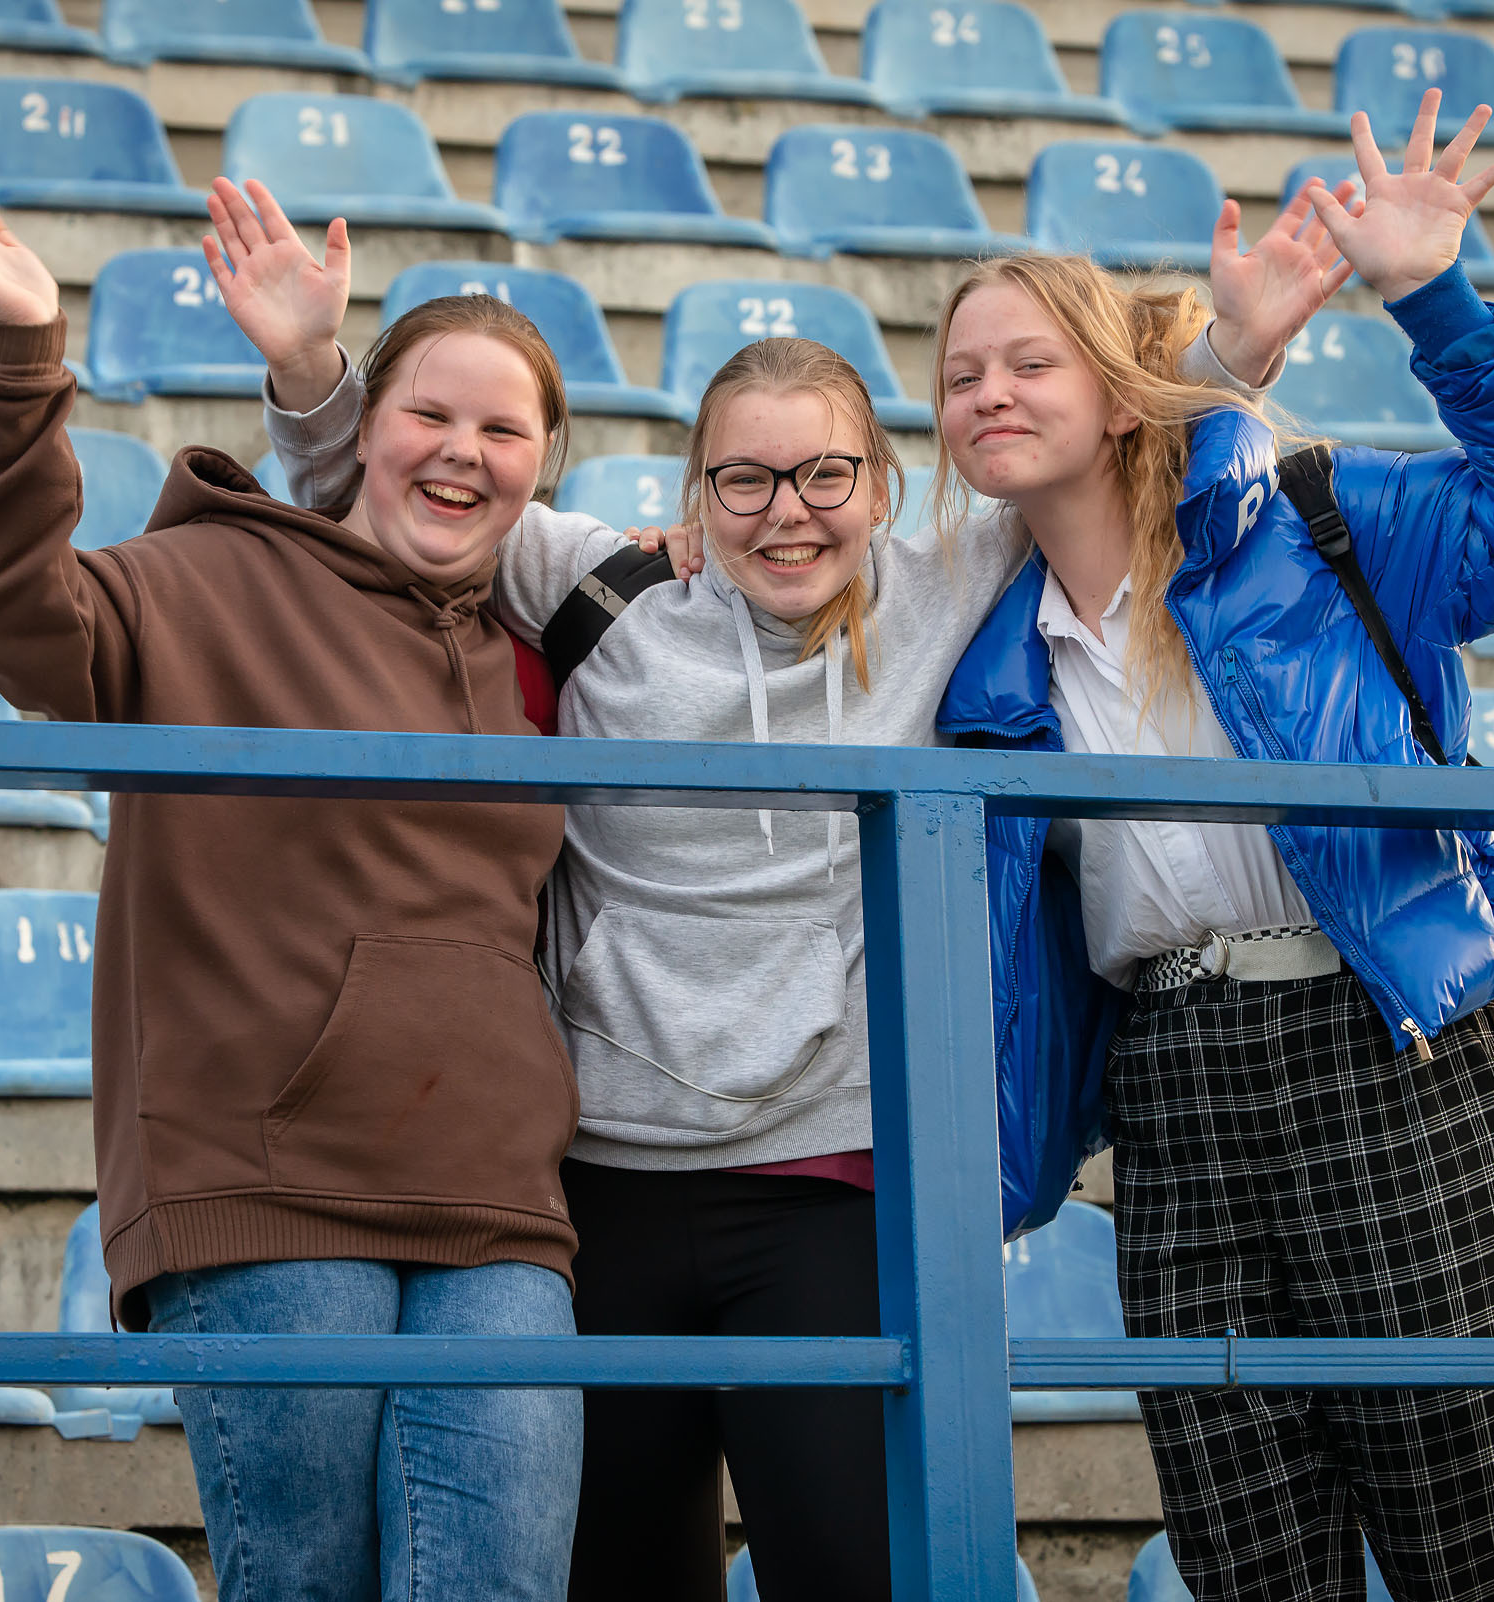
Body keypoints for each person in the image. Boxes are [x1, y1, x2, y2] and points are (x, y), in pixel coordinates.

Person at [221, 176, 1350, 1598]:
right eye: (743, 479)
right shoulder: (600, 584)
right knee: (625, 1577)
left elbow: (1101, 469)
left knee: (858, 1568)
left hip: (830, 1179)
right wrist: (313, 371)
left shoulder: (945, 585)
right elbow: (397, 499)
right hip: (607, 1183)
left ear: (881, 485)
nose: (786, 512)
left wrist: (1233, 354)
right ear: (695, 497)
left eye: (825, 474)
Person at [933, 93, 1494, 1602]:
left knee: (1476, 1533)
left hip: (1386, 1034)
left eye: (1028, 362)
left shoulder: (1317, 520)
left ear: (1124, 394)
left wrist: (1431, 299)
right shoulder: (987, 653)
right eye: (957, 376)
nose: (986, 393)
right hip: (1174, 1075)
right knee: (1246, 1546)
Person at [0, 175, 597, 1602]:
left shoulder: (537, 651)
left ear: (542, 467)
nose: (462, 453)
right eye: (429, 416)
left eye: (502, 429)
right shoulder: (208, 581)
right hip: (270, 1195)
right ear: (363, 435)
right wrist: (24, 356)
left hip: (499, 1204)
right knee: (307, 1586)